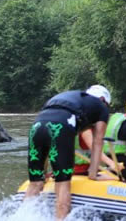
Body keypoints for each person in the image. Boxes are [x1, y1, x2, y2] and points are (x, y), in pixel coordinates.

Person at [24, 84, 111, 220]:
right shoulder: (101, 108)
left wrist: (45, 172)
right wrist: (93, 174)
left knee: (35, 183)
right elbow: (97, 142)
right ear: (103, 100)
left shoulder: (72, 97)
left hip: (36, 126)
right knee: (63, 185)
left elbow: (47, 128)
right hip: (61, 126)